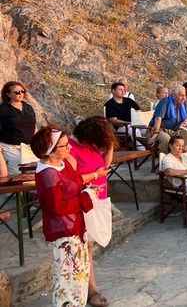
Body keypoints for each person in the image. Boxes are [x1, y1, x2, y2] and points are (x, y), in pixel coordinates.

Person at [31, 126, 94, 307]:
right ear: (50, 151)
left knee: (80, 274)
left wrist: (86, 190)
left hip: (75, 225)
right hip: (64, 231)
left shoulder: (62, 164)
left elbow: (75, 182)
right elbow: (57, 206)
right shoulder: (48, 174)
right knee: (67, 279)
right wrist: (83, 199)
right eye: (64, 146)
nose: (69, 149)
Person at [69, 116, 117, 307]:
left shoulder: (92, 146)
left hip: (98, 201)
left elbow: (104, 166)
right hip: (83, 202)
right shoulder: (71, 148)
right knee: (84, 246)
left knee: (88, 246)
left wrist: (111, 145)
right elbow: (73, 177)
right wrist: (95, 176)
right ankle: (91, 290)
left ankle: (89, 289)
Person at [0, 81, 36, 176]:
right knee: (16, 173)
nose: (20, 94)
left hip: (28, 147)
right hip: (10, 147)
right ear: (8, 94)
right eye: (16, 92)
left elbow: (33, 127)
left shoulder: (28, 108)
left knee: (31, 173)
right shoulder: (2, 109)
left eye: (22, 91)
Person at [148, 85, 187, 154]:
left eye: (185, 95)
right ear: (174, 95)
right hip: (159, 129)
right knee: (166, 139)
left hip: (175, 130)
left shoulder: (184, 103)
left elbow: (186, 118)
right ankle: (165, 159)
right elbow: (158, 119)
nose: (184, 98)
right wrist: (155, 134)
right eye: (181, 95)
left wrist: (184, 123)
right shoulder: (165, 102)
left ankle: (181, 155)